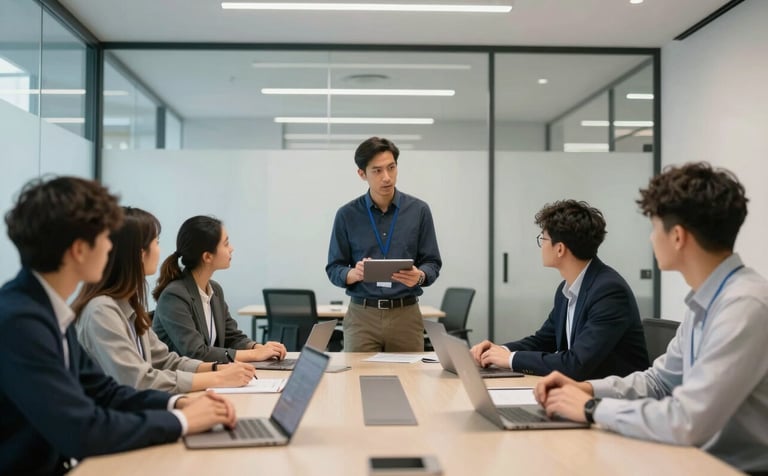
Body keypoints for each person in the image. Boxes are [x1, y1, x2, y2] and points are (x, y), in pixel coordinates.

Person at [534, 163, 768, 474]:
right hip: (692, 459)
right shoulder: (706, 302)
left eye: (654, 227)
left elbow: (688, 420)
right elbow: (658, 382)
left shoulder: (744, 307)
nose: (650, 239)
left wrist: (592, 409)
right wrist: (587, 389)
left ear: (678, 237)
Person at [0, 177, 236, 475]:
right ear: (79, 249)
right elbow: (83, 430)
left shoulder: (46, 311)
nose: (112, 248)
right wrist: (184, 421)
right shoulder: (21, 323)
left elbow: (106, 392)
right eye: (105, 238)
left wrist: (178, 405)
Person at [73, 207, 257, 393]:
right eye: (156, 242)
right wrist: (217, 378)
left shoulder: (128, 306)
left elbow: (165, 360)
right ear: (139, 253)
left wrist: (217, 368)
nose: (160, 250)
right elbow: (139, 380)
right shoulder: (101, 311)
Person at [470, 200, 649, 380]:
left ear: (560, 249)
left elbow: (576, 364)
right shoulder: (567, 290)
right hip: (579, 392)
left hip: (613, 401)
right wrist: (500, 350)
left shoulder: (609, 292)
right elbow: (543, 340)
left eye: (543, 239)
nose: (541, 246)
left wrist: (510, 359)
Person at [326, 136, 442, 352]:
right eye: (377, 171)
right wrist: (354, 274)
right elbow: (334, 268)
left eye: (391, 167)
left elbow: (432, 262)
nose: (387, 177)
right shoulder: (347, 215)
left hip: (405, 315)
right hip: (362, 316)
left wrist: (420, 275)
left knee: (410, 382)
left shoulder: (419, 211)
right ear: (362, 174)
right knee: (356, 381)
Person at [152, 215, 286, 362]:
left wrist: (258, 347)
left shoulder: (215, 290)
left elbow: (232, 337)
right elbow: (196, 352)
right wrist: (255, 355)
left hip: (209, 377)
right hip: (181, 381)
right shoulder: (174, 296)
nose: (232, 248)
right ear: (207, 257)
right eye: (226, 243)